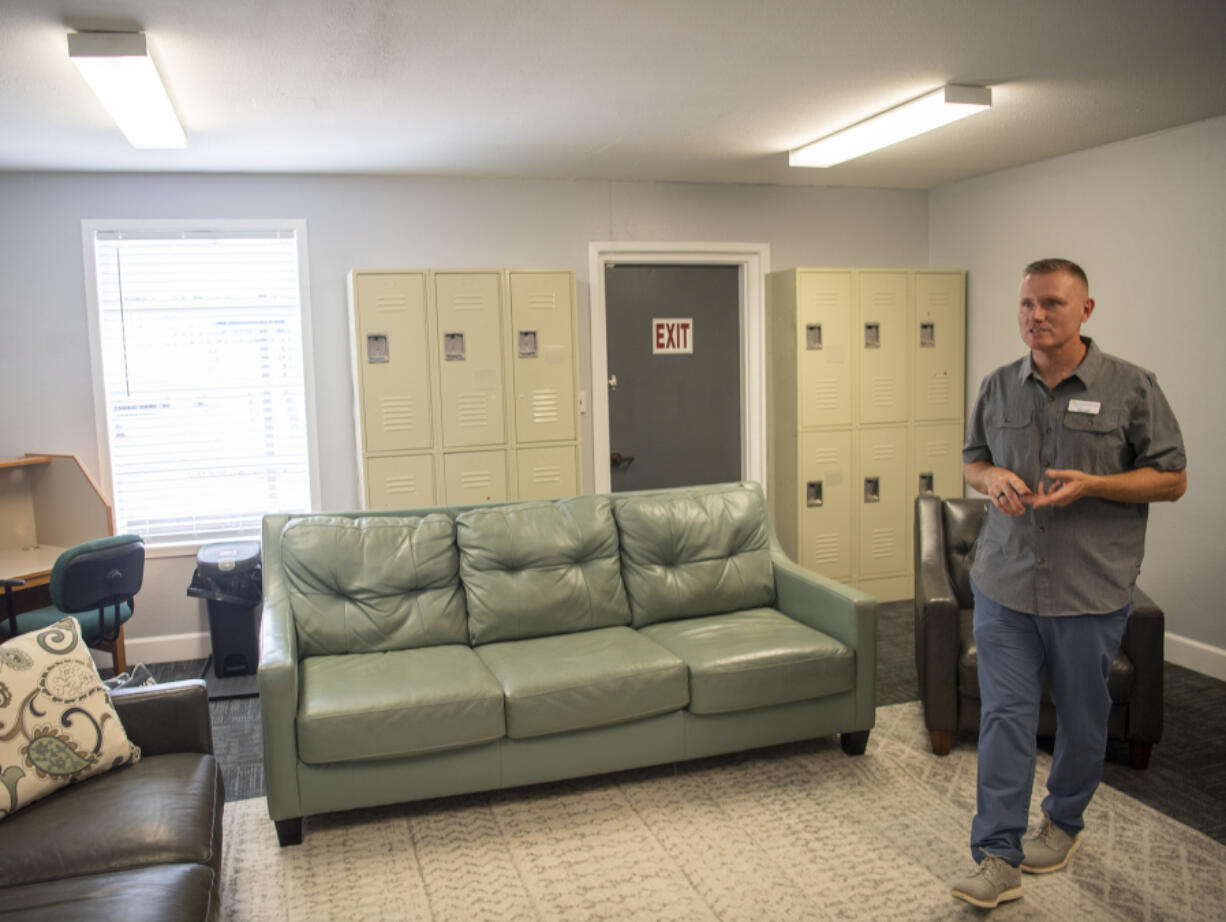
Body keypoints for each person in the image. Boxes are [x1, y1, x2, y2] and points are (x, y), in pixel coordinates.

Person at [950, 258, 1187, 909]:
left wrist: (1097, 486)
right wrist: (991, 480)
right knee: (1005, 715)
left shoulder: (1132, 387)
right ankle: (997, 855)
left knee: (1084, 717)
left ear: (1086, 309)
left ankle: (1064, 820)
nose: (1036, 316)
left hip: (1090, 590)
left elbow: (1171, 477)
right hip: (1005, 583)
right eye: (1026, 304)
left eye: (1052, 303)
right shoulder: (999, 386)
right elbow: (972, 461)